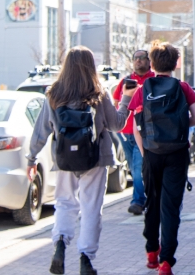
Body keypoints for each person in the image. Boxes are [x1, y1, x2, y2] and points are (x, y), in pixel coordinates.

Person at [27, 46, 136, 275]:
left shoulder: (54, 94)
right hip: (95, 159)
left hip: (65, 159)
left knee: (64, 203)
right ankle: (86, 259)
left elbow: (41, 131)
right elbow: (116, 124)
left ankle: (60, 244)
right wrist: (126, 99)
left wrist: (31, 158)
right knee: (91, 209)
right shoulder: (98, 93)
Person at [128, 42, 195, 275]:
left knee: (152, 202)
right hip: (177, 153)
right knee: (170, 207)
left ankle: (152, 251)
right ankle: (166, 261)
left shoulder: (143, 89)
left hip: (151, 153)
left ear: (152, 64)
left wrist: (145, 153)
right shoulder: (183, 87)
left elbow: (136, 127)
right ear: (175, 63)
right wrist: (179, 128)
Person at [112, 48, 155, 215]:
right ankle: (144, 198)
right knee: (133, 168)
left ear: (149, 61)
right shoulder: (126, 81)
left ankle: (138, 201)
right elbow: (117, 102)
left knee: (138, 169)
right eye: (135, 58)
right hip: (125, 132)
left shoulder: (154, 79)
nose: (138, 60)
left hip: (143, 131)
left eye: (142, 57)